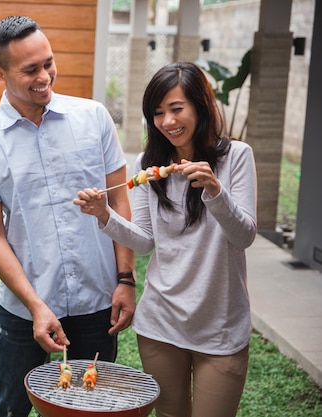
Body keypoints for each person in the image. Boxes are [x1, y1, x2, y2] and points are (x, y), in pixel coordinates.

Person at [0, 16, 135, 416]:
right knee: (11, 406)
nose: (45, 76)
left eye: (48, 63)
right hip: (25, 307)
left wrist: (126, 278)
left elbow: (120, 201)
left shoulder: (93, 118)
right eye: (30, 70)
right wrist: (37, 306)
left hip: (98, 296)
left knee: (93, 405)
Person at [74, 62, 257, 417]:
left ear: (200, 106)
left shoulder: (236, 156)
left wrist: (216, 191)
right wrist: (104, 215)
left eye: (177, 109)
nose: (167, 122)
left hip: (219, 325)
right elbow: (143, 241)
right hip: (160, 323)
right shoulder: (149, 164)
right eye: (158, 113)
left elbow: (244, 235)